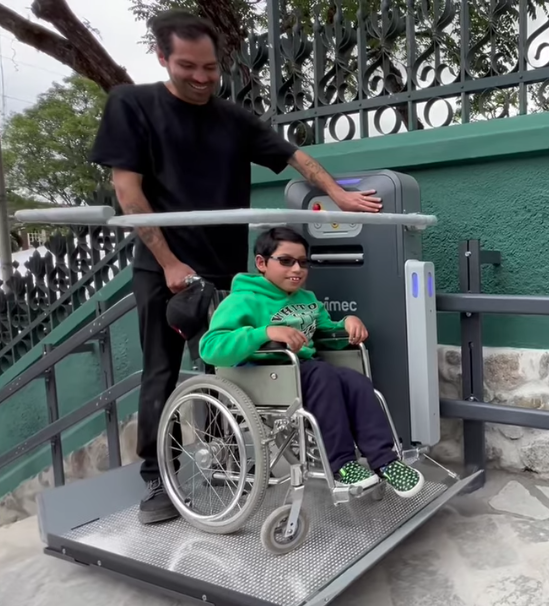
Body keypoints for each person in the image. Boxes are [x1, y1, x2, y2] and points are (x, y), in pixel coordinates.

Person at [87, 9, 383, 525]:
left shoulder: (232, 118)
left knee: (227, 366)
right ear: (162, 58)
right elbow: (127, 193)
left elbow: (295, 156)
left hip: (225, 272)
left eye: (210, 68)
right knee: (163, 371)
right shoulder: (132, 105)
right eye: (187, 67)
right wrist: (171, 262)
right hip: (165, 269)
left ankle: (230, 463)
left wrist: (337, 193)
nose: (201, 78)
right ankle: (158, 478)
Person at [198, 227, 425, 498]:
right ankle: (342, 465)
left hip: (307, 372)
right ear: (261, 263)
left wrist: (347, 326)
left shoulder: (308, 300)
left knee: (356, 381)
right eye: (286, 261)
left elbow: (327, 335)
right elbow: (210, 347)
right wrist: (264, 333)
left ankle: (384, 460)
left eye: (303, 262)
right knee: (323, 374)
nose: (297, 269)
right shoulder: (243, 300)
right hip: (265, 375)